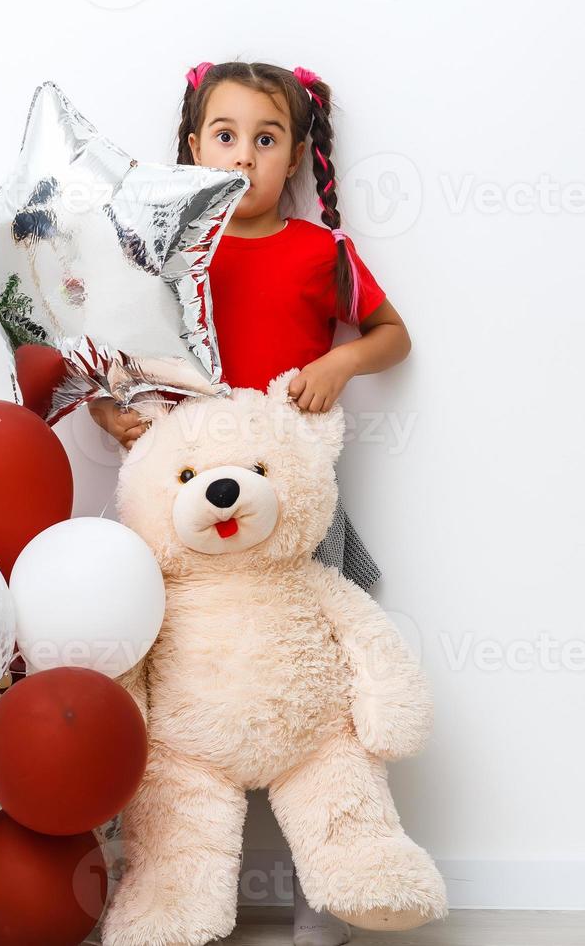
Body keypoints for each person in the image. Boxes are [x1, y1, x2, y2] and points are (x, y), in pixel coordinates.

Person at [88, 60, 412, 946]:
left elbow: (392, 336)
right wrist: (118, 416)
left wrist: (339, 363)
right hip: (187, 515)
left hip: (290, 509)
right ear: (193, 148)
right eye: (224, 136)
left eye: (266, 140)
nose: (244, 157)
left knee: (327, 685)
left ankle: (333, 880)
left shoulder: (321, 253)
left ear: (298, 155)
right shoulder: (165, 252)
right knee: (166, 678)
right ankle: (161, 883)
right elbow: (111, 357)